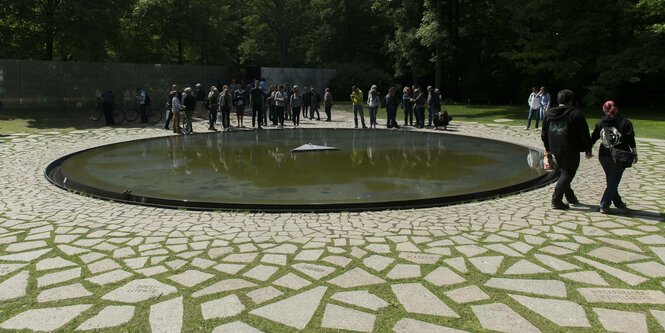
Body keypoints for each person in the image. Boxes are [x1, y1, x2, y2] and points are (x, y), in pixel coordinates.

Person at [541, 89, 591, 210]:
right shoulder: (576, 113)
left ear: (558, 100)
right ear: (571, 100)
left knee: (564, 172)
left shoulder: (548, 114)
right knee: (567, 173)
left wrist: (548, 149)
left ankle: (570, 196)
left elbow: (544, 133)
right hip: (570, 148)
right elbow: (584, 133)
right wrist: (587, 148)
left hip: (555, 148)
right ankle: (556, 200)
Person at [587, 100, 637, 214]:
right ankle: (604, 205)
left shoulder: (600, 123)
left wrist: (588, 150)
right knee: (613, 181)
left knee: (612, 180)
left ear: (604, 109)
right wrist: (635, 154)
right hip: (619, 156)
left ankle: (618, 203)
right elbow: (631, 140)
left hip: (604, 155)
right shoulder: (625, 123)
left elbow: (593, 137)